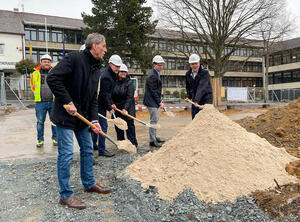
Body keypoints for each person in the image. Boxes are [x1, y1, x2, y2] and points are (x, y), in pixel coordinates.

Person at [47, 33, 111, 210]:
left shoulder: (96, 68)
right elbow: (52, 78)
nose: (106, 50)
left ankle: (89, 183)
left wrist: (94, 120)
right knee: (67, 154)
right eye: (104, 46)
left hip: (82, 118)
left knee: (88, 149)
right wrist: (67, 101)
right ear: (94, 46)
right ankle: (65, 195)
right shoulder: (74, 59)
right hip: (66, 116)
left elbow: (93, 98)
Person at [93, 54, 122, 157]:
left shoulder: (112, 74)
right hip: (99, 104)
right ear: (110, 64)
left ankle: (93, 145)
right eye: (116, 66)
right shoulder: (106, 76)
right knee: (102, 126)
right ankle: (101, 150)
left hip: (102, 103)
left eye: (119, 66)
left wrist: (112, 103)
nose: (118, 68)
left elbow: (109, 93)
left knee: (96, 125)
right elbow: (104, 94)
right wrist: (109, 107)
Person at [30, 54, 57, 148]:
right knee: (40, 122)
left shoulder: (55, 72)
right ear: (41, 62)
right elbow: (33, 86)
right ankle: (40, 140)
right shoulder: (35, 73)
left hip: (53, 102)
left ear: (50, 63)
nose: (47, 63)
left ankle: (55, 138)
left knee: (54, 122)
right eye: (45, 61)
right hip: (40, 102)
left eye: (48, 62)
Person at [112, 64, 138, 147]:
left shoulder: (129, 83)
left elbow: (130, 97)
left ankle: (133, 144)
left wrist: (125, 109)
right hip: (117, 108)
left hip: (128, 108)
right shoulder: (113, 82)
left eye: (125, 72)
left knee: (130, 126)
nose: (123, 73)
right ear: (118, 72)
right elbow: (110, 94)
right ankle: (122, 143)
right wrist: (112, 104)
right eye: (122, 71)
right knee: (119, 126)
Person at [143, 55, 166, 148]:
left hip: (153, 101)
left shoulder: (156, 73)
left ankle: (154, 137)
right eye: (159, 65)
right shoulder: (152, 75)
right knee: (154, 120)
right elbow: (153, 91)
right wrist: (159, 102)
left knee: (155, 120)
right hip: (151, 101)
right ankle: (152, 140)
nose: (161, 66)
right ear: (154, 64)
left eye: (162, 65)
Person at [185, 54, 213, 119]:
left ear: (199, 63)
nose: (195, 66)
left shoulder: (205, 73)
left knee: (205, 119)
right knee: (195, 118)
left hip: (206, 99)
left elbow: (201, 87)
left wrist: (196, 100)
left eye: (196, 63)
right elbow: (188, 87)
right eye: (192, 64)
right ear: (190, 64)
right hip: (195, 99)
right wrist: (189, 97)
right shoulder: (188, 74)